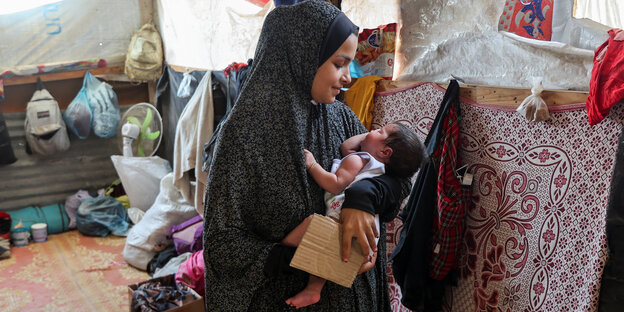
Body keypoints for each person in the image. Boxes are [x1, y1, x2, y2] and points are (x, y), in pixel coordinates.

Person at [203, 1, 411, 311]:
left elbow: (401, 180)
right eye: (339, 64)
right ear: (301, 56)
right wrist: (304, 255)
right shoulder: (244, 137)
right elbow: (221, 245)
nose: (348, 79)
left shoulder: (339, 117)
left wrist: (364, 200)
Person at [283, 121, 425, 308]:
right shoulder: (376, 168)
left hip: (344, 218)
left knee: (311, 226)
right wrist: (372, 138)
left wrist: (312, 165)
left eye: (379, 131)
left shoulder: (358, 160)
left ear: (385, 152)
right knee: (332, 255)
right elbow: (346, 146)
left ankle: (282, 251)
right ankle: (314, 289)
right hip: (369, 231)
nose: (371, 131)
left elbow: (335, 184)